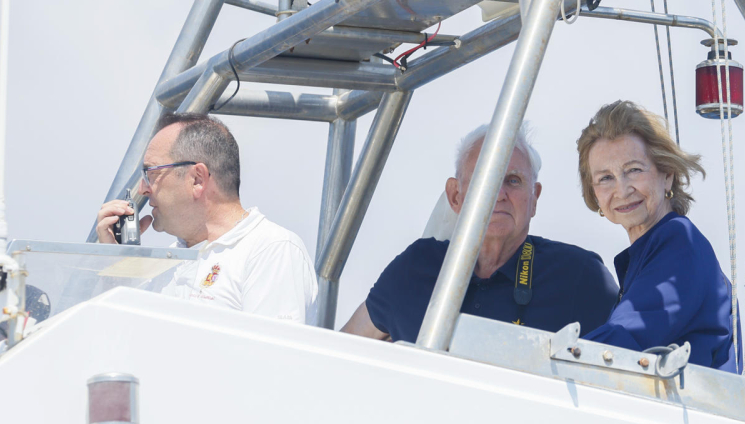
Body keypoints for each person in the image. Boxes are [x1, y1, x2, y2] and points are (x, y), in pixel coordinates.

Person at [341, 124, 619, 343]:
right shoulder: (414, 269)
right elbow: (342, 350)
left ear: (534, 198)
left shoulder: (580, 277)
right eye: (484, 179)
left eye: (513, 180)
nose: (498, 195)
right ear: (455, 197)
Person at [95, 113, 317, 324]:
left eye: (150, 173)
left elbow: (271, 359)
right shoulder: (166, 263)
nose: (143, 189)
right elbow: (119, 342)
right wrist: (117, 268)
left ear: (197, 179)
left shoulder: (271, 249)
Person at [575, 100, 739, 372]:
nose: (622, 189)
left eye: (634, 170)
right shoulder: (650, 255)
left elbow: (624, 340)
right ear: (593, 193)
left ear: (667, 175)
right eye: (605, 178)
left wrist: (539, 361)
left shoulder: (681, 244)